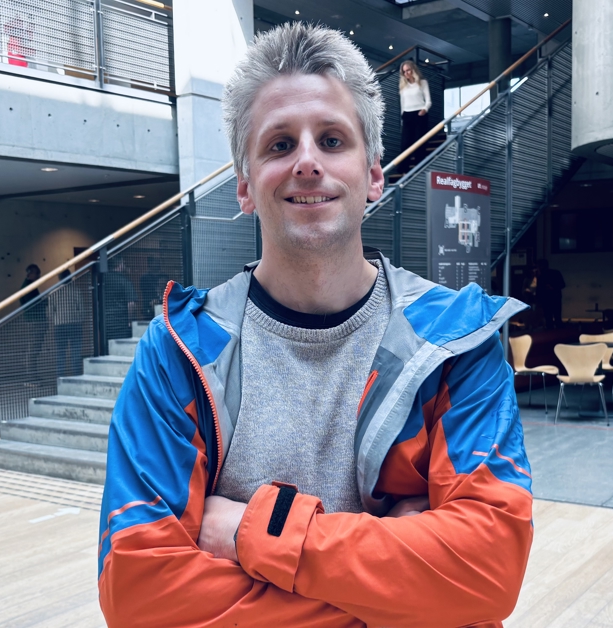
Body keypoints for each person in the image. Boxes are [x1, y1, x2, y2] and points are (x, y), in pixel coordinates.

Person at [97, 24, 533, 628]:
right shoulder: (179, 351)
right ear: (245, 185)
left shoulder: (454, 340)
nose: (307, 162)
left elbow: (486, 570)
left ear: (374, 174)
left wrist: (250, 532)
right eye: (279, 145)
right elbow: (139, 594)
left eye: (332, 139)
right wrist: (402, 578)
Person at [398, 59, 431, 169]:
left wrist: (425, 109)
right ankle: (403, 170)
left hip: (420, 114)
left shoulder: (422, 83)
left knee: (420, 142)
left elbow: (428, 101)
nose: (407, 73)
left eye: (408, 70)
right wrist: (402, 118)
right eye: (404, 72)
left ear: (413, 70)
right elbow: (402, 104)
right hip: (407, 115)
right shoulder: (403, 86)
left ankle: (419, 168)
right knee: (405, 143)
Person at [528, 259, 565, 328]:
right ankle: (559, 333)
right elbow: (562, 284)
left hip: (547, 299)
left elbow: (539, 289)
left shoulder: (541, 276)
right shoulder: (555, 273)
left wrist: (538, 299)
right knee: (556, 317)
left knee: (549, 318)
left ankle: (551, 333)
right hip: (554, 298)